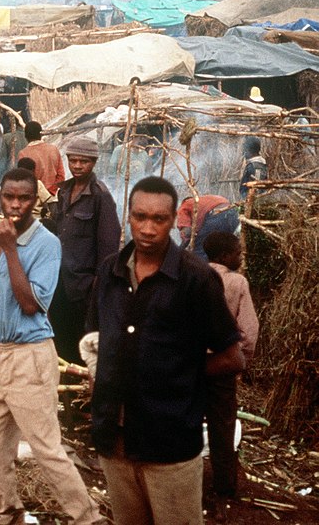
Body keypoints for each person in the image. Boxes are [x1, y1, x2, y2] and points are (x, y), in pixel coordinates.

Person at [86, 176, 244, 525]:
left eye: (159, 219)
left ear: (174, 220)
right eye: (140, 216)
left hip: (170, 443)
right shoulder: (110, 272)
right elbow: (95, 340)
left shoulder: (195, 278)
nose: (148, 228)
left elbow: (232, 357)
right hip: (114, 442)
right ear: (128, 216)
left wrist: (177, 373)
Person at [0, 168, 102, 525]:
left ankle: (88, 517)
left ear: (35, 202)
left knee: (46, 447)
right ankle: (7, 511)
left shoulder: (46, 244)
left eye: (24, 198)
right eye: (9, 197)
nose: (15, 205)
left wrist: (11, 250)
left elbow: (29, 304)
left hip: (30, 355)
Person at [202, 231, 259, 520]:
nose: (241, 256)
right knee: (222, 426)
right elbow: (248, 330)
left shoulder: (193, 276)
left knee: (185, 419)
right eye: (238, 252)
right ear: (225, 255)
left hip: (189, 364)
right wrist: (239, 361)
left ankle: (182, 479)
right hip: (222, 364)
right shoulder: (237, 282)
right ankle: (223, 491)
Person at [51, 136, 120, 364]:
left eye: (84, 161)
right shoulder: (63, 191)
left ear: (94, 163)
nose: (78, 166)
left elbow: (108, 245)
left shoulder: (100, 196)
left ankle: (83, 381)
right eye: (73, 161)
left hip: (84, 284)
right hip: (60, 279)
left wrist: (98, 283)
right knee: (59, 333)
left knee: (83, 338)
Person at [17, 121, 65, 194]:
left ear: (26, 136)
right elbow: (61, 176)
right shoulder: (53, 149)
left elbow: (24, 180)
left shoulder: (23, 153)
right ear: (41, 134)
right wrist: (50, 191)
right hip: (53, 196)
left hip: (34, 197)